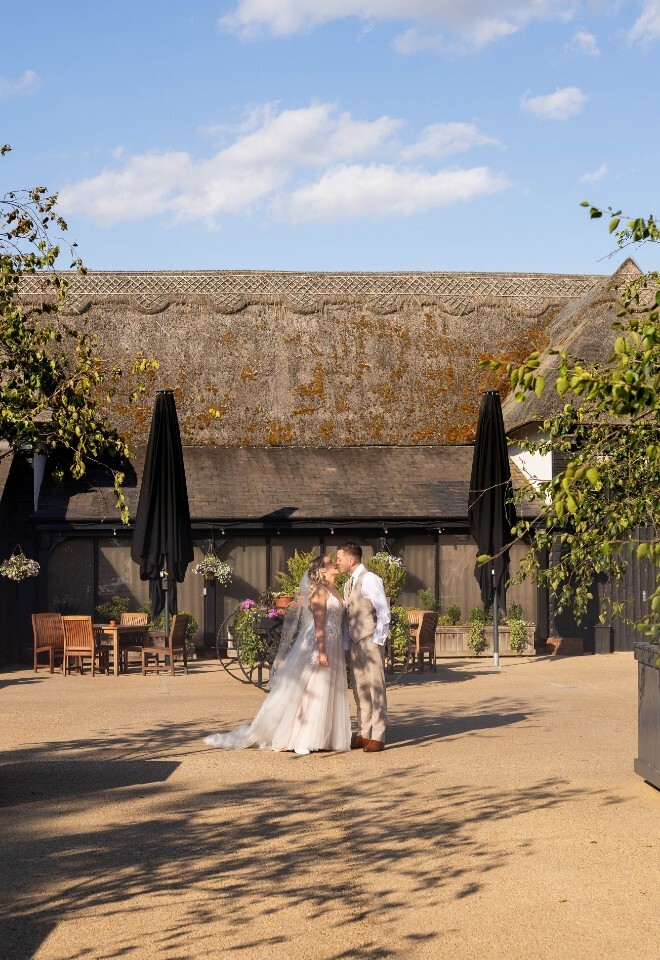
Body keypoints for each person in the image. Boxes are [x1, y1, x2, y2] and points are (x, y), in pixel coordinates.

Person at [204, 555, 351, 755]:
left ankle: (324, 736)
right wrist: (322, 649)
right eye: (328, 561)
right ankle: (300, 738)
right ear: (322, 570)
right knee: (311, 688)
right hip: (318, 644)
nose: (334, 562)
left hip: (334, 643)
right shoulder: (319, 590)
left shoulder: (336, 590)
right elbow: (318, 623)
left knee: (327, 687)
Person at [335, 542, 391, 753]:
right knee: (360, 690)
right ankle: (364, 732)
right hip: (356, 644)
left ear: (351, 560)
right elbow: (349, 617)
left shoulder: (370, 579)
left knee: (376, 687)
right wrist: (347, 645)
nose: (337, 562)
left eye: (339, 558)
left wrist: (377, 641)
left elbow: (384, 612)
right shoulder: (347, 584)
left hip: (370, 642)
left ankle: (377, 735)